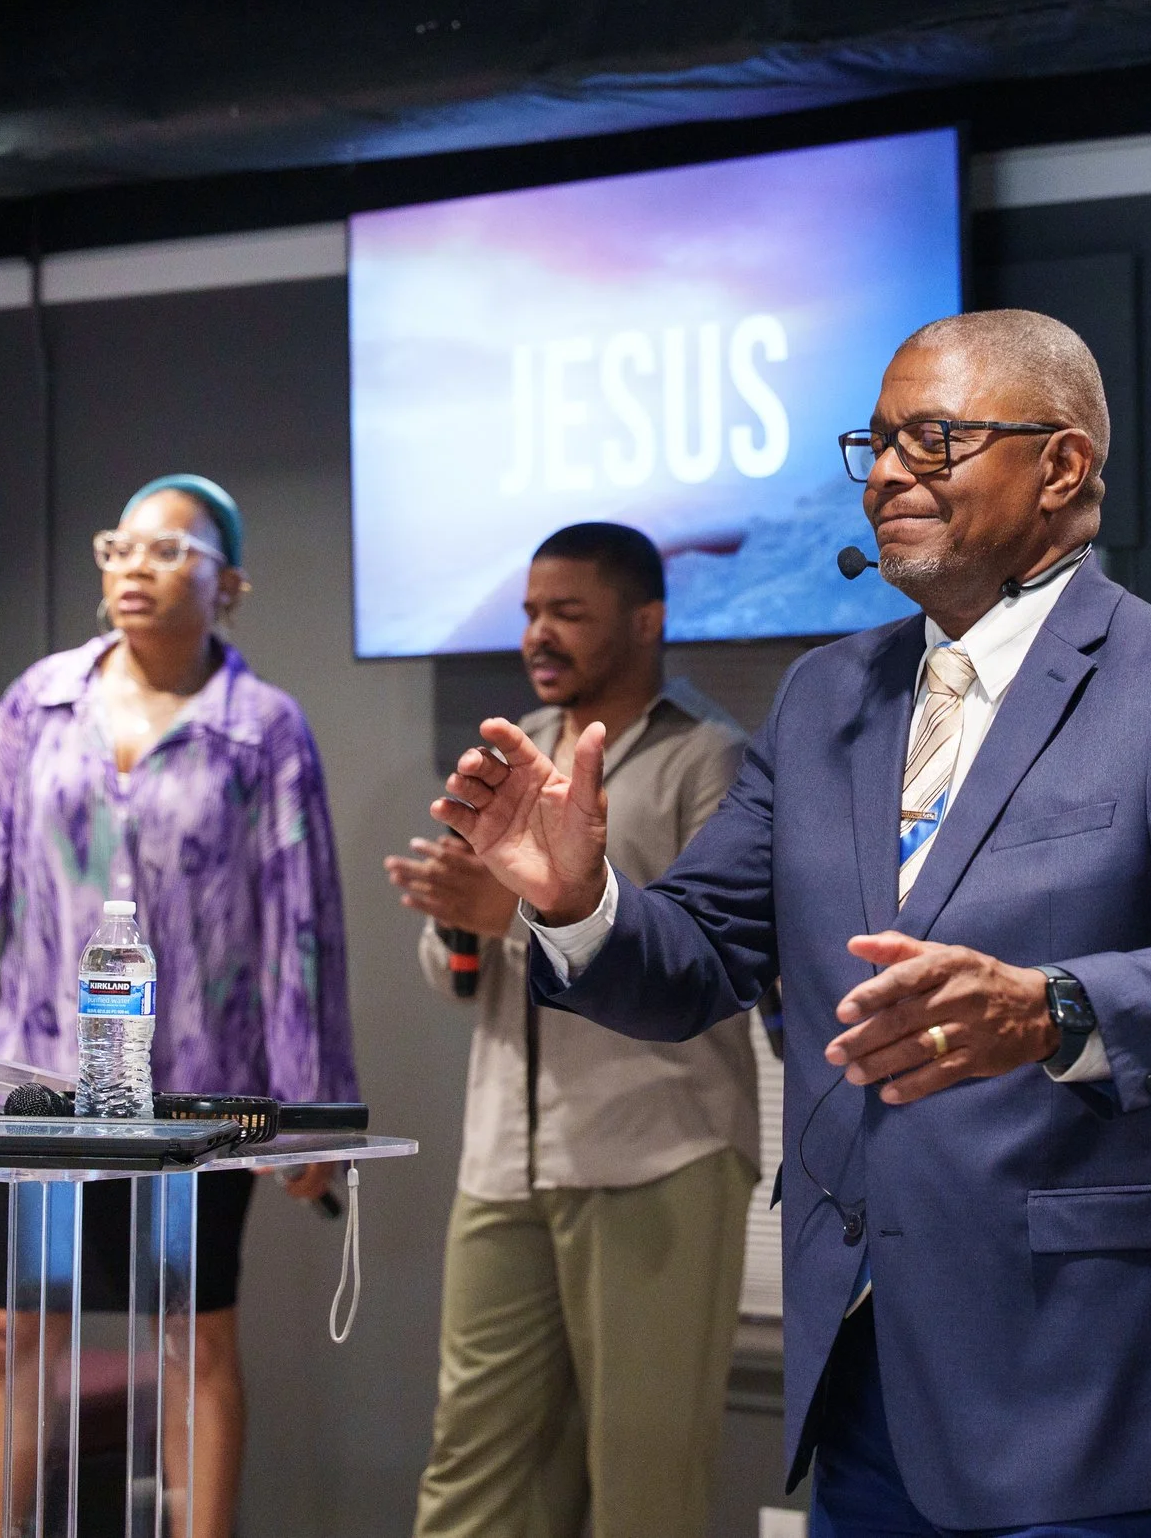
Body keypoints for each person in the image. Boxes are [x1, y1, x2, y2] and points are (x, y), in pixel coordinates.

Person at [431, 310, 1151, 1536]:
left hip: (1097, 1380)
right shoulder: (829, 696)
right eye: (874, 443)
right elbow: (698, 954)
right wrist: (571, 899)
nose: (883, 474)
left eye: (933, 441)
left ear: (1062, 467)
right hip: (871, 1377)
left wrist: (1050, 1007)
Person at [0, 473, 356, 1538]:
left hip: (197, 1092)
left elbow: (302, 922)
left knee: (193, 1337)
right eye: (119, 545)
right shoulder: (40, 702)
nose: (134, 565)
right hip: (44, 1083)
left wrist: (311, 1104)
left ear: (230, 585)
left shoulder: (262, 729)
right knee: (7, 1330)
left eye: (169, 550)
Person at [383, 521, 758, 1538]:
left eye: (567, 613)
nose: (538, 634)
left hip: (658, 1153)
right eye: (530, 612)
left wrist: (510, 916)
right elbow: (457, 976)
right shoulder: (513, 755)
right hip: (505, 1162)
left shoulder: (707, 760)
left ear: (646, 620)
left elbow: (705, 961)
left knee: (643, 1480)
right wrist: (463, 921)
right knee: (472, 1468)